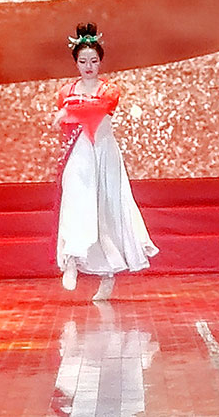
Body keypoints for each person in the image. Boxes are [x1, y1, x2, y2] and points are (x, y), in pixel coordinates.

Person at [53, 23, 158, 300]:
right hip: (79, 154)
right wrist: (66, 114)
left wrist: (69, 113)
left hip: (104, 154)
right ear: (76, 63)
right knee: (76, 203)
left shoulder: (109, 90)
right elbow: (66, 120)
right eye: (83, 61)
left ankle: (108, 275)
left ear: (100, 62)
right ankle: (72, 259)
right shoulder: (65, 91)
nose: (88, 66)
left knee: (106, 211)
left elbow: (97, 110)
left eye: (93, 61)